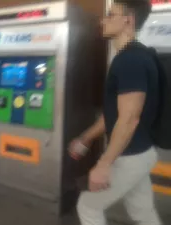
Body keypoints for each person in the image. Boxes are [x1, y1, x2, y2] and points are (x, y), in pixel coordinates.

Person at [68, 0, 163, 224]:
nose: (103, 20)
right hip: (141, 153)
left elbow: (129, 119)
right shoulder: (134, 56)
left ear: (127, 20)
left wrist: (104, 164)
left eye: (111, 15)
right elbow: (115, 115)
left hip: (128, 156)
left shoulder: (130, 60)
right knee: (143, 212)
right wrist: (86, 137)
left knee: (88, 207)